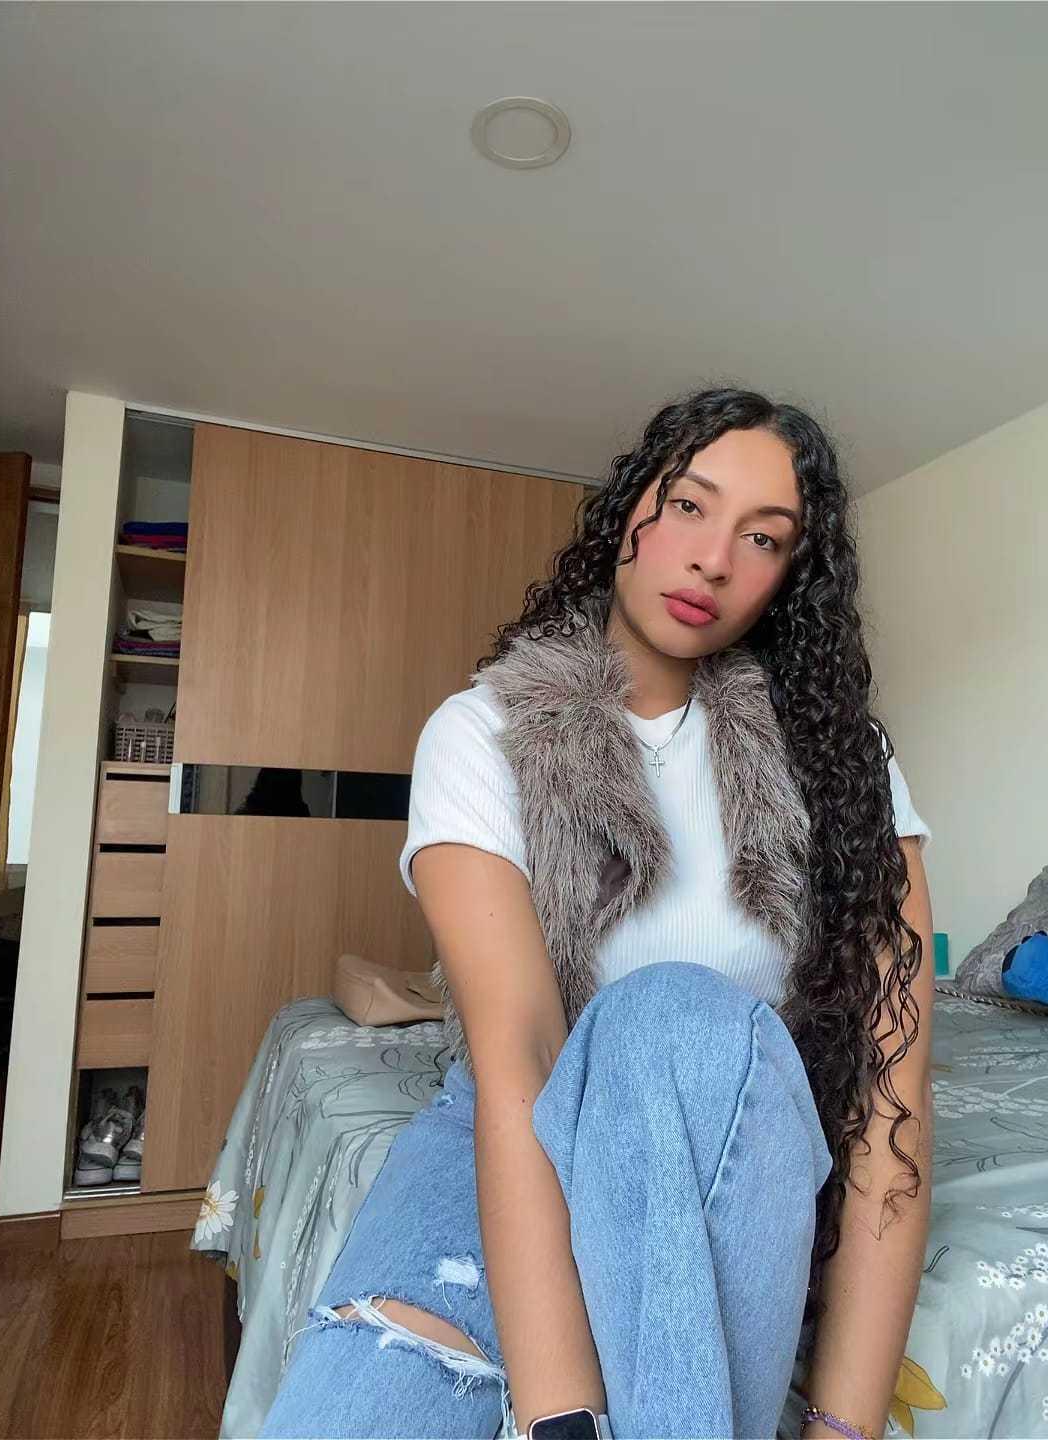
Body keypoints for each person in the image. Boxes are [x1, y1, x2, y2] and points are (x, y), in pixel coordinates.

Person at [261, 388, 934, 1440]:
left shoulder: (846, 761)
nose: (714, 559)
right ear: (630, 512)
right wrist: (561, 1415)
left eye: (764, 537)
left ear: (790, 576)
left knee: (670, 1012)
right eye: (691, 506)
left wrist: (842, 1429)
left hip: (733, 1135)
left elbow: (894, 1104)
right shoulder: (481, 734)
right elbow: (521, 1057)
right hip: (516, 1129)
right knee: (355, 1407)